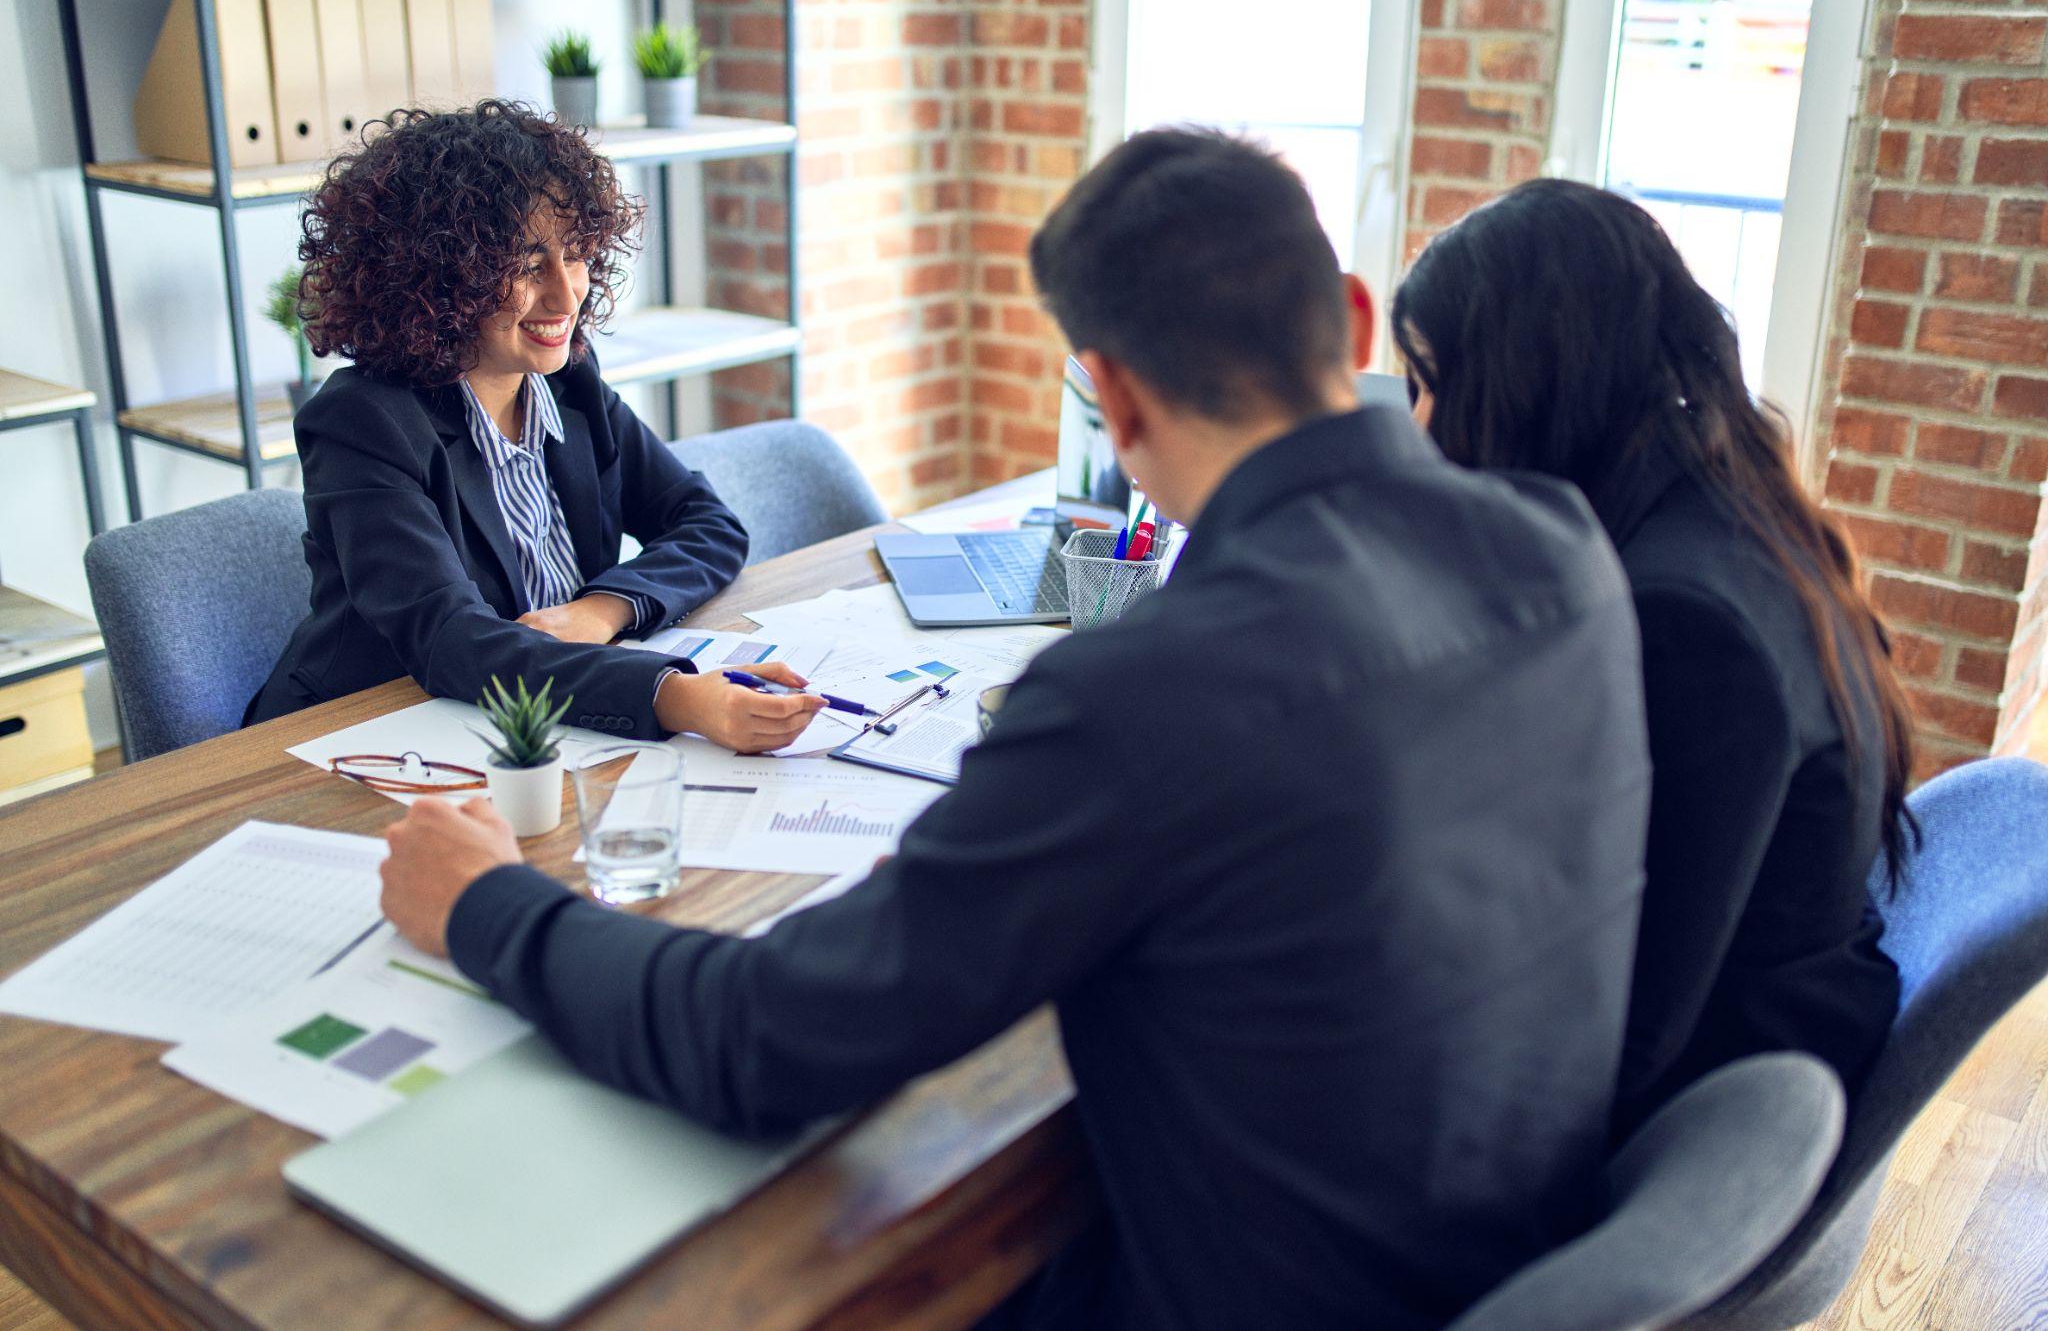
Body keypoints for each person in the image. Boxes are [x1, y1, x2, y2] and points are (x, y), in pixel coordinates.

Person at [376, 129, 1652, 1329]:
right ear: (1358, 320)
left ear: (1108, 395)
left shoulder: (1143, 691)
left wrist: (485, 904)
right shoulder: (1564, 550)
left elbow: (761, 1044)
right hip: (1508, 1264)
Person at [1392, 179, 1915, 1138]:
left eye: (1430, 385)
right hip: (1750, 1038)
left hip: (1710, 1126)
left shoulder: (1686, 619)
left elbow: (1618, 1029)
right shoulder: (1710, 503)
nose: (1417, 429)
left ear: (1532, 384)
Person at [247, 101, 823, 753]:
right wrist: (670, 694)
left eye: (575, 254)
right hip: (362, 736)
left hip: (530, 728)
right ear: (439, 277)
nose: (565, 294)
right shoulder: (362, 424)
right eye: (526, 264)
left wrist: (600, 611)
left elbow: (709, 524)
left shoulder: (568, 384)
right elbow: (451, 641)